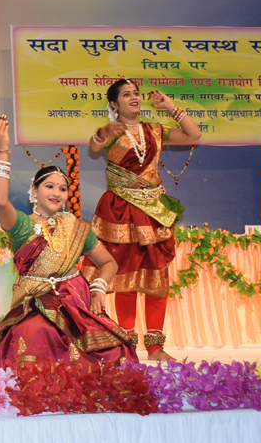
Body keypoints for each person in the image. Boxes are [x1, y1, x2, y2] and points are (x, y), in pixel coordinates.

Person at [0, 116, 136, 365]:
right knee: (36, 337)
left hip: (75, 306)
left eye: (63, 189)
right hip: (34, 304)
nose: (57, 193)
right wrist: (3, 149)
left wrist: (98, 288)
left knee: (114, 352)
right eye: (49, 186)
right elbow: (0, 202)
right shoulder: (22, 225)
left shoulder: (76, 228)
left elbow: (109, 263)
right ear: (34, 190)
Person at [79, 79, 201, 361]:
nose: (134, 97)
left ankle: (156, 347)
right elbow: (94, 146)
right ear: (114, 104)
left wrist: (170, 106)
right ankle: (127, 345)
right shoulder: (111, 131)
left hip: (153, 212)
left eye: (135, 93)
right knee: (125, 276)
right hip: (121, 211)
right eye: (126, 94)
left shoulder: (154, 131)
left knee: (157, 276)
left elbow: (193, 135)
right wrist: (103, 131)